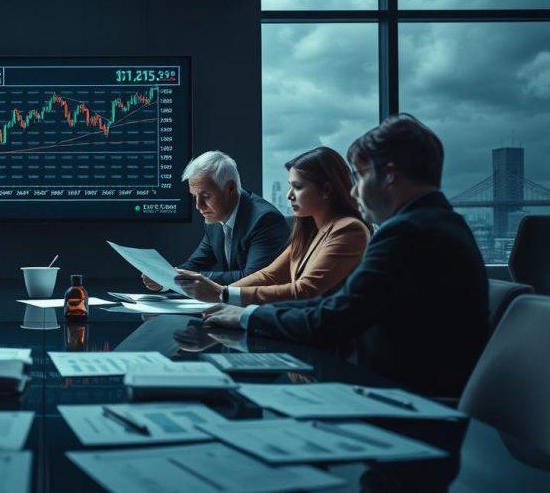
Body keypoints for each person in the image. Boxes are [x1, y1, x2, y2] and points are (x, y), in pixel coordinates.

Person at [202, 115, 489, 396]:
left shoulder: (407, 233)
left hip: (402, 402)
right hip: (399, 390)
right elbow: (332, 305)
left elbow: (329, 320)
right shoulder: (440, 224)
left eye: (361, 175)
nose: (353, 189)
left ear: (390, 175)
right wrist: (245, 310)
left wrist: (246, 318)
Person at [175, 147, 371, 305]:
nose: (289, 195)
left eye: (298, 187)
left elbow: (305, 291)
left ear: (326, 190)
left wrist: (223, 295)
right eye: (290, 186)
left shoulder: (348, 230)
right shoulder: (310, 230)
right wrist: (221, 297)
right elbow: (270, 275)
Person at [143, 151, 289, 290]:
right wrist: (164, 279)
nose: (198, 206)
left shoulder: (265, 219)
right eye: (194, 196)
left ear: (231, 188)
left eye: (206, 195)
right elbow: (195, 264)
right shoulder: (214, 219)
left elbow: (253, 278)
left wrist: (195, 278)